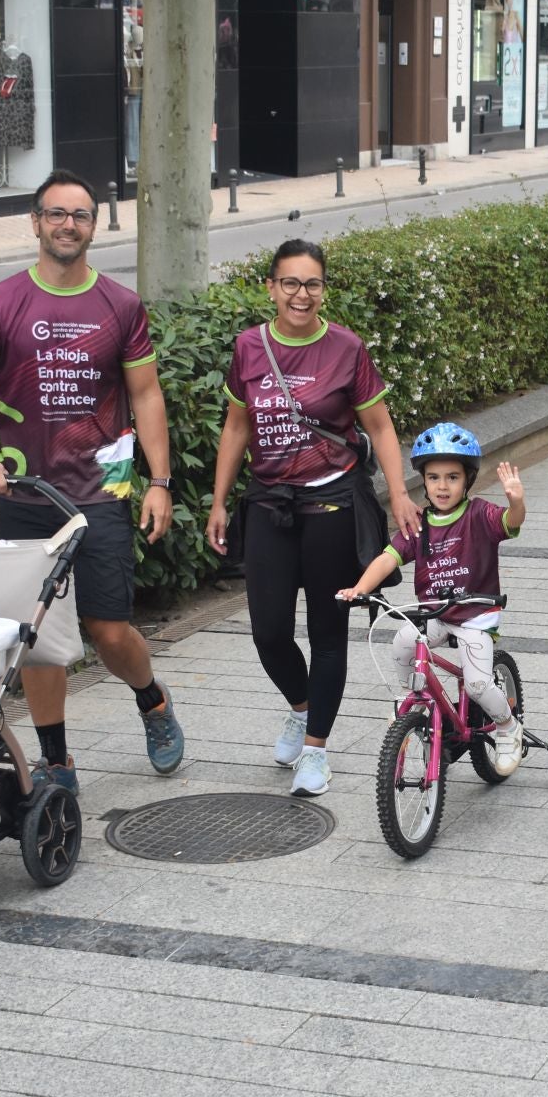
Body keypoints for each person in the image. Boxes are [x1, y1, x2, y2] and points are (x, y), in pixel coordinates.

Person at [0, 169, 186, 793]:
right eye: (56, 214)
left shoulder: (120, 305)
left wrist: (158, 481)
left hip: (102, 488)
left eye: (80, 215)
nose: (68, 225)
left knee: (108, 628)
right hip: (22, 493)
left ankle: (152, 699)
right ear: (35, 221)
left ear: (94, 226)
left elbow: (147, 395)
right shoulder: (0, 303)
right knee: (37, 638)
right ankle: (57, 760)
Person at [206, 239, 421, 798]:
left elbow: (378, 426)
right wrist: (219, 499)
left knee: (328, 634)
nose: (302, 295)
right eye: (291, 283)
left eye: (313, 284)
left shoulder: (347, 348)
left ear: (324, 290)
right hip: (269, 504)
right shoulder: (250, 347)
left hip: (332, 506)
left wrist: (399, 492)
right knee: (268, 630)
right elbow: (236, 426)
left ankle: (317, 751)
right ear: (272, 288)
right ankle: (302, 709)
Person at [341, 426, 527, 773]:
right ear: (423, 482)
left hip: (475, 615)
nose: (442, 486)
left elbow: (510, 522)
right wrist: (359, 588)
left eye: (452, 477)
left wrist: (516, 501)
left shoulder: (480, 516)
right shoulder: (419, 525)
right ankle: (413, 701)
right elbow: (387, 558)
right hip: (436, 615)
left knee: (476, 683)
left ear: (468, 480)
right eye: (434, 477)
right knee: (403, 643)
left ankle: (507, 727)